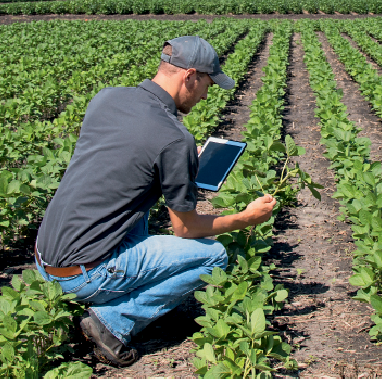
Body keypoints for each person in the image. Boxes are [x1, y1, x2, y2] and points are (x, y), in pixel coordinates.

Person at [34, 36, 276, 367]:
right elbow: (185, 229)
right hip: (81, 274)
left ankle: (107, 288)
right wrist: (246, 218)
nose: (207, 94)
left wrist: (184, 165)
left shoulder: (107, 99)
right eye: (207, 83)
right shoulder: (175, 138)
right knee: (213, 256)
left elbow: (124, 163)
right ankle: (112, 323)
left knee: (138, 206)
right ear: (190, 75)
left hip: (45, 257)